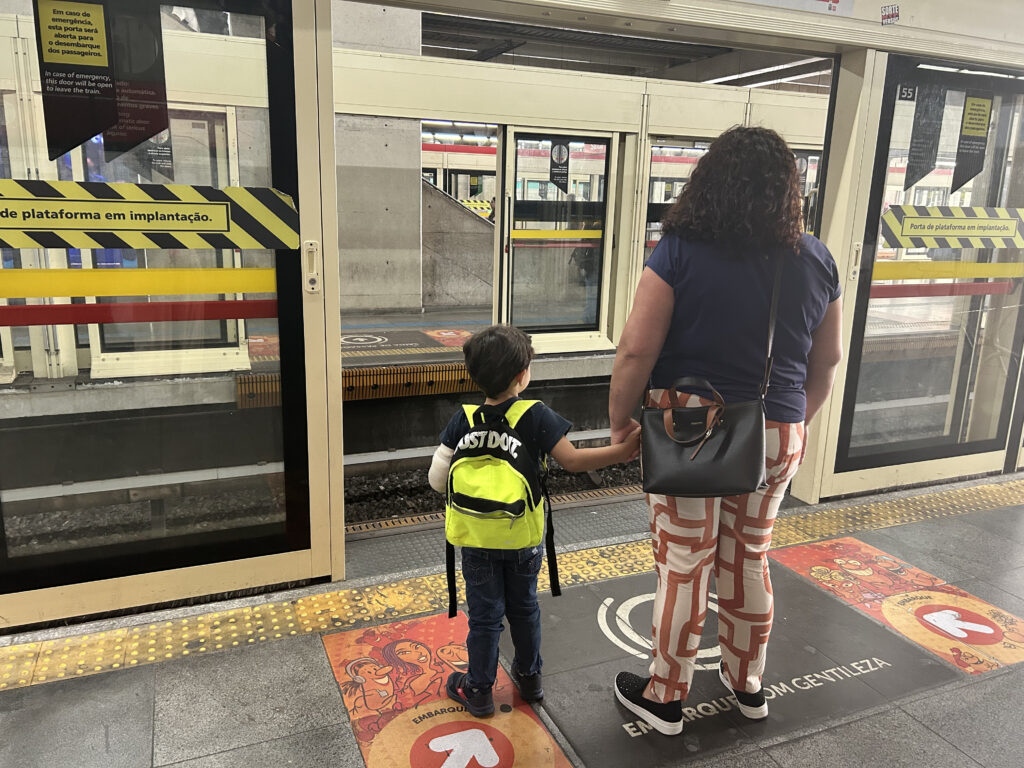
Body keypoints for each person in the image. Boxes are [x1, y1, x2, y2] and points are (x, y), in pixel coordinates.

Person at [607, 126, 844, 735]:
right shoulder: (816, 259)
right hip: (779, 429)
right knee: (748, 559)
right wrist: (790, 422)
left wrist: (619, 424)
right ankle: (749, 685)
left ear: (709, 181)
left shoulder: (679, 249)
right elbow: (829, 363)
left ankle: (665, 696)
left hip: (692, 427)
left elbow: (636, 351)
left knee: (686, 561)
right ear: (788, 190)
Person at [429, 324, 641, 716]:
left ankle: (477, 689)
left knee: (485, 616)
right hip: (524, 539)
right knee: (524, 607)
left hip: (475, 540)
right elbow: (574, 461)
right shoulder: (535, 415)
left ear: (475, 376)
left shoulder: (463, 419)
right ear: (522, 375)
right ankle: (529, 680)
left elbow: (437, 481)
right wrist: (622, 450)